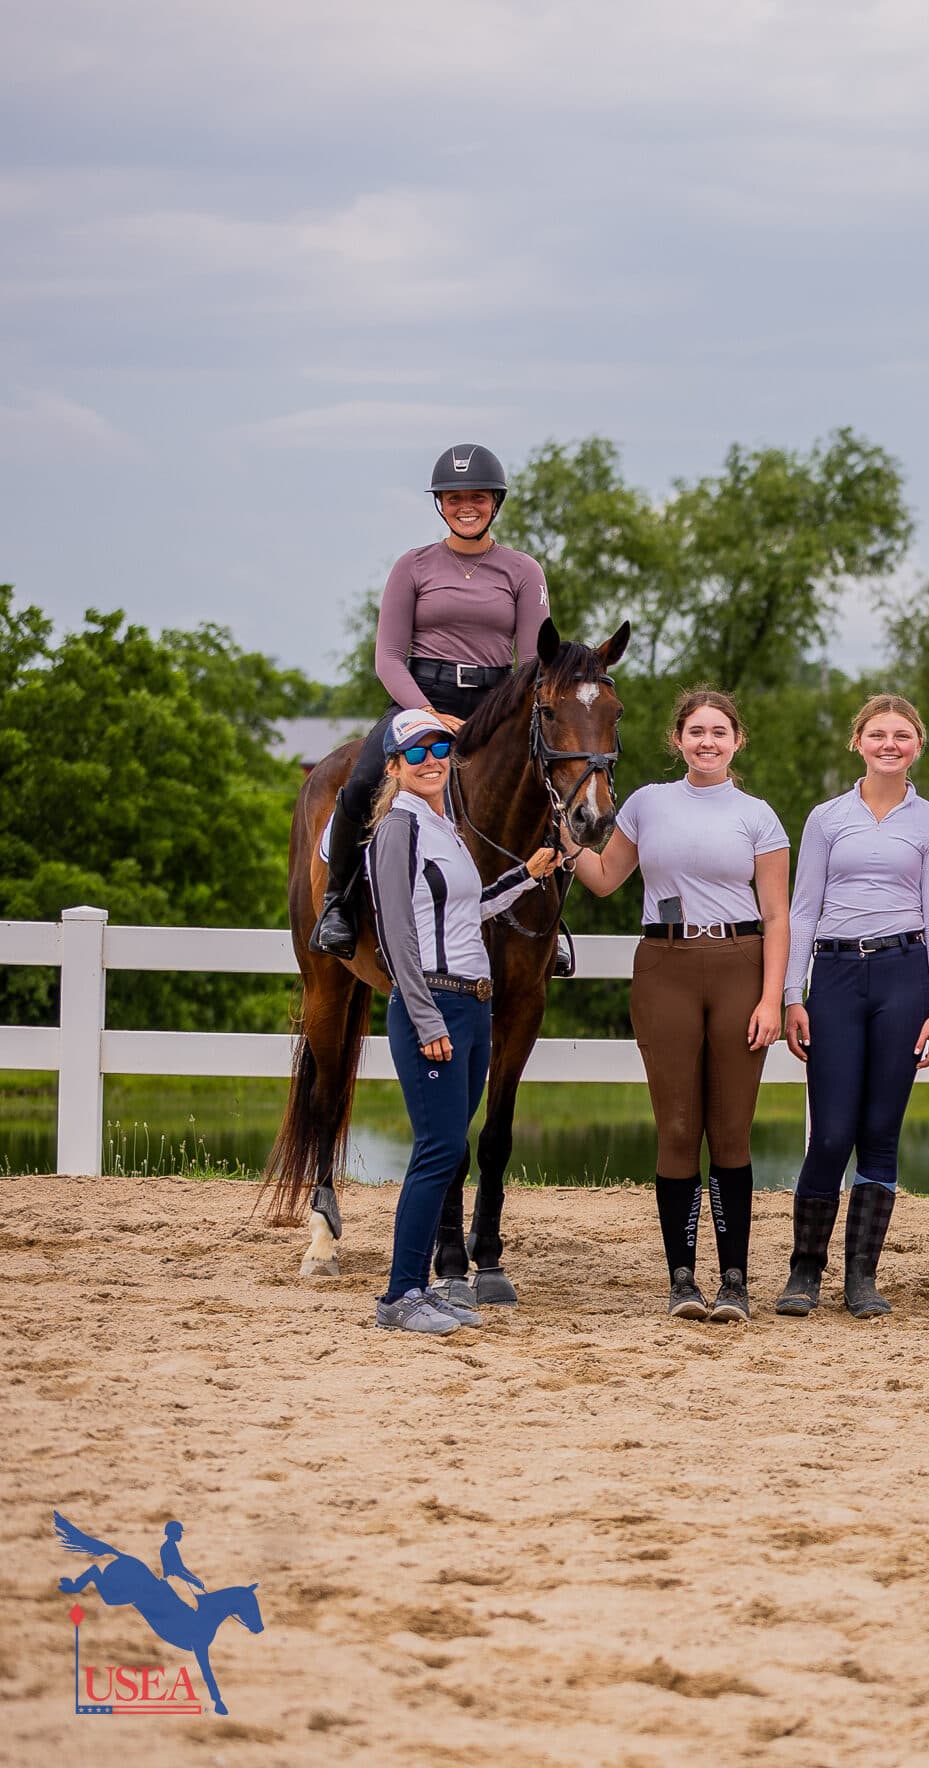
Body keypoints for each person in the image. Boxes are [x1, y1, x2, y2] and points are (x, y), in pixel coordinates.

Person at [565, 689, 790, 1322]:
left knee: (731, 1132)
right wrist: (561, 833)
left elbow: (778, 916)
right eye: (696, 731)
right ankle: (682, 1279)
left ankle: (735, 1280)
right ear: (678, 739)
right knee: (678, 1129)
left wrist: (772, 998)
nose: (707, 742)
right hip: (665, 968)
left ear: (737, 741)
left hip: (740, 966)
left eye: (719, 732)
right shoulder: (647, 804)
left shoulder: (757, 816)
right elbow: (605, 878)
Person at [365, 707, 562, 1334]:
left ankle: (421, 1288)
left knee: (448, 1146)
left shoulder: (443, 827)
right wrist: (426, 1020)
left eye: (439, 750)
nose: (431, 762)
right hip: (436, 1003)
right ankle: (400, 1295)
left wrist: (525, 878)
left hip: (473, 1003)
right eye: (415, 753)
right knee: (439, 1150)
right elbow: (396, 932)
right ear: (393, 767)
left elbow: (467, 910)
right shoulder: (399, 828)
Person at [313, 444, 552, 958]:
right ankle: (338, 903)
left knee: (549, 787)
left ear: (495, 502)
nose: (467, 507)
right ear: (440, 504)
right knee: (362, 782)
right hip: (419, 696)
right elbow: (388, 658)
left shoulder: (523, 570)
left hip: (497, 702)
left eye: (478, 497)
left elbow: (534, 661)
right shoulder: (413, 566)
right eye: (454, 497)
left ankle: (549, 919)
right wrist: (425, 713)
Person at [779, 696, 929, 1319]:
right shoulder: (827, 818)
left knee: (880, 1130)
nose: (889, 744)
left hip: (904, 976)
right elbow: (802, 911)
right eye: (877, 734)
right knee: (830, 1132)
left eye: (901, 735)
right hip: (835, 976)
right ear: (857, 742)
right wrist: (792, 994)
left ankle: (862, 1277)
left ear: (917, 746)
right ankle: (805, 1271)